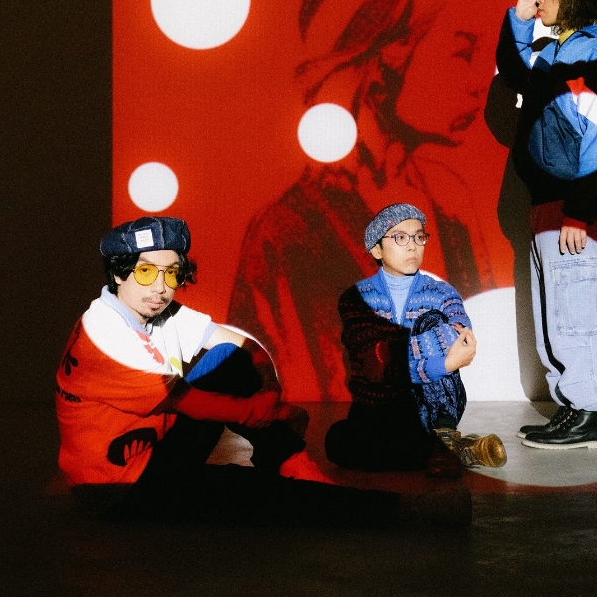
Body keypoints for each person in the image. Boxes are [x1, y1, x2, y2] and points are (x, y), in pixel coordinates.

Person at [227, 0, 498, 403]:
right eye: (462, 52)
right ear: (387, 54)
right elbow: (284, 396)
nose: (480, 82)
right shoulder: (286, 235)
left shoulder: (450, 200)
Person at [54, 215, 469, 526]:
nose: (160, 287)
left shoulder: (153, 312)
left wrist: (269, 389)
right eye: (146, 272)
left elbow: (244, 346)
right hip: (118, 491)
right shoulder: (104, 333)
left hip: (156, 457)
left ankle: (292, 464)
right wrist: (271, 414)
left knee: (230, 359)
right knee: (262, 497)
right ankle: (406, 512)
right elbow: (191, 404)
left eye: (171, 273)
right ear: (118, 272)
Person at [494, 0, 597, 449]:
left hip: (573, 209)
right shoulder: (559, 50)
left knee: (576, 314)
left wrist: (579, 210)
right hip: (549, 205)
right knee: (554, 315)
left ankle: (588, 416)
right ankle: (572, 409)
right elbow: (516, 73)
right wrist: (520, 19)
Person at [325, 203, 507, 476]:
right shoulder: (355, 298)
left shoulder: (442, 293)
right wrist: (442, 365)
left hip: (428, 409)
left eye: (419, 237)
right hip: (377, 408)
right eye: (400, 237)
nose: (412, 246)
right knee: (337, 442)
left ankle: (443, 440)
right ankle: (454, 451)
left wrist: (390, 353)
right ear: (376, 249)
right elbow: (370, 365)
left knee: (431, 320)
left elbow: (460, 336)